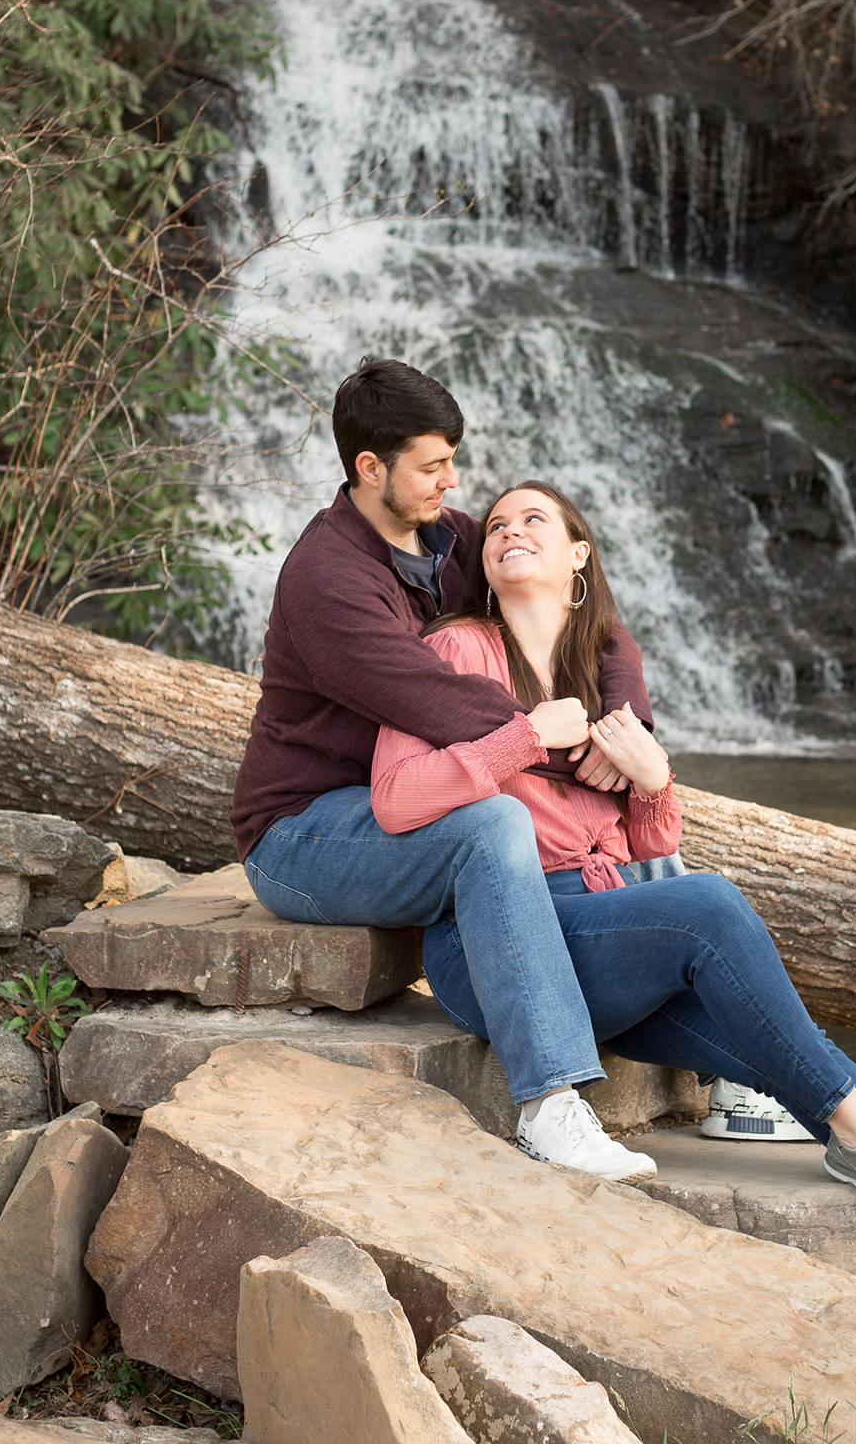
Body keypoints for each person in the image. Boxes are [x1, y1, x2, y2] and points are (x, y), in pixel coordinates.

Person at [369, 479, 856, 1314]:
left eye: (534, 519)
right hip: (497, 941)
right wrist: (522, 737)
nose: (510, 531)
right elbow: (396, 798)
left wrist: (654, 780)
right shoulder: (455, 651)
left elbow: (649, 844)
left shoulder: (603, 665)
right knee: (710, 904)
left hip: (605, 935)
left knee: (788, 1042)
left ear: (579, 553)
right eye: (497, 524)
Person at [232, 356, 681, 1184]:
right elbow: (439, 704)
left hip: (413, 801)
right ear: (371, 469)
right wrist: (577, 755)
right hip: (308, 835)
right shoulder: (328, 579)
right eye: (433, 465)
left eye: (453, 460)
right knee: (495, 823)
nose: (453, 480)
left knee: (640, 809)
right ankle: (549, 1106)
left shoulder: (450, 536)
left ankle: (712, 1067)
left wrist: (626, 734)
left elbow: (602, 625)